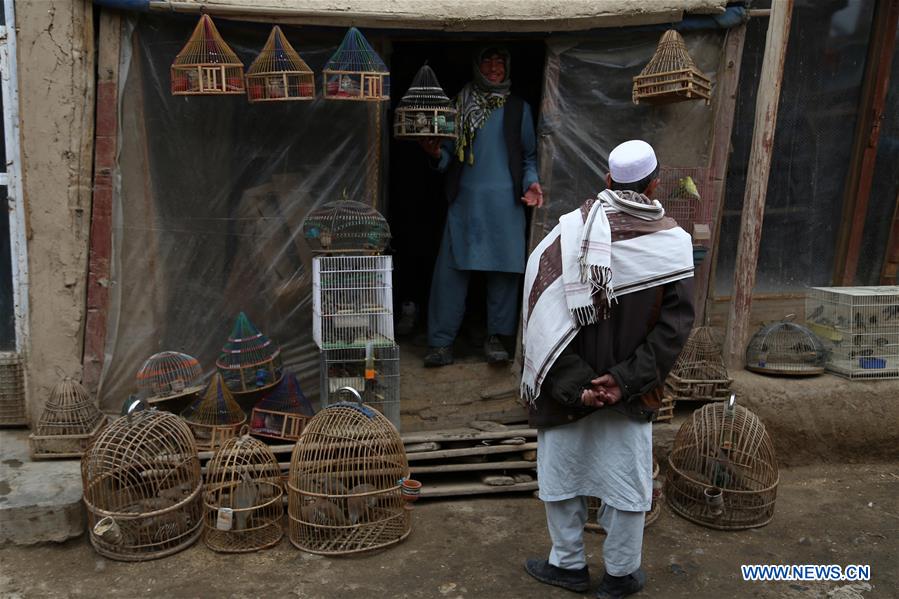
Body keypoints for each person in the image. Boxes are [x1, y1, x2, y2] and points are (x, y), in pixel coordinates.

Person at [519, 140, 695, 598]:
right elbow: (673, 329)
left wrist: (577, 385)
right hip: (630, 396)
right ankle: (620, 575)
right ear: (655, 184)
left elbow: (537, 318)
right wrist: (623, 382)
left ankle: (568, 565)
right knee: (625, 484)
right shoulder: (674, 245)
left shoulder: (563, 236)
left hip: (568, 392)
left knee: (562, 478)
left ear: (607, 180)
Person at [418, 46, 543, 367]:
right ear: (476, 66)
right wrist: (435, 155)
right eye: (486, 61)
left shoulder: (519, 109)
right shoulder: (459, 106)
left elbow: (529, 157)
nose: (493, 67)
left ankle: (497, 339)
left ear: (507, 66)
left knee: (504, 272)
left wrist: (531, 182)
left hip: (506, 206)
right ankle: (441, 344)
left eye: (499, 61)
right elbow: (446, 157)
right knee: (451, 273)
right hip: (465, 203)